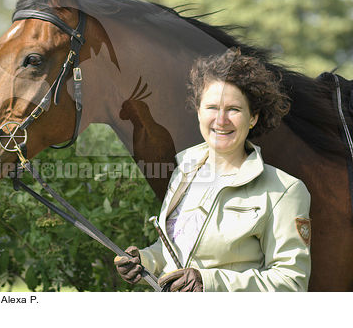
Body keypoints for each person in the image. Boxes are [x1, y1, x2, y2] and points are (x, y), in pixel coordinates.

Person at [115, 48, 311, 292]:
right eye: (211, 108)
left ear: (253, 117)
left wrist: (208, 282)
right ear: (198, 111)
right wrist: (143, 261)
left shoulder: (285, 191)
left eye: (234, 109)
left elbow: (291, 284)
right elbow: (174, 249)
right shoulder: (185, 170)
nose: (221, 119)